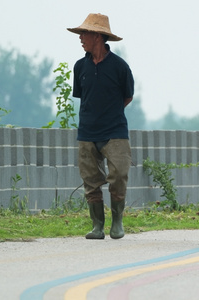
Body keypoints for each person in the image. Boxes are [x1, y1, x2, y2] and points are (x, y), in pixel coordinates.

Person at [67, 13, 134, 239]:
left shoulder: (120, 67)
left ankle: (117, 223)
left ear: (97, 36)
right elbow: (83, 97)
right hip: (87, 132)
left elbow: (127, 97)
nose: (80, 38)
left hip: (115, 131)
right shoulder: (80, 67)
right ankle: (97, 226)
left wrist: (110, 114)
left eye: (84, 34)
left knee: (118, 175)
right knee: (90, 180)